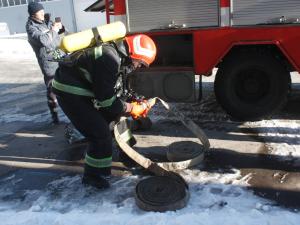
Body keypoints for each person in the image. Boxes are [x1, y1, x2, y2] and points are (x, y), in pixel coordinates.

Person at [52, 34, 157, 189]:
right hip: (71, 93)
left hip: (84, 89)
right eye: (140, 63)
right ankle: (94, 177)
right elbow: (106, 100)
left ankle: (128, 154)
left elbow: (113, 90)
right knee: (99, 134)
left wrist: (130, 103)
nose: (138, 67)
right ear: (133, 54)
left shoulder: (118, 53)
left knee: (116, 116)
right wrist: (131, 108)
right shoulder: (109, 59)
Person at [26, 2, 65, 124]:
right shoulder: (31, 27)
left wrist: (60, 27)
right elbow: (44, 40)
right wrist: (53, 30)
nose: (43, 13)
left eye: (43, 10)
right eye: (40, 11)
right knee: (52, 90)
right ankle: (55, 117)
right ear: (33, 14)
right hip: (48, 62)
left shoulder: (47, 21)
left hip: (58, 55)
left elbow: (58, 35)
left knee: (70, 81)